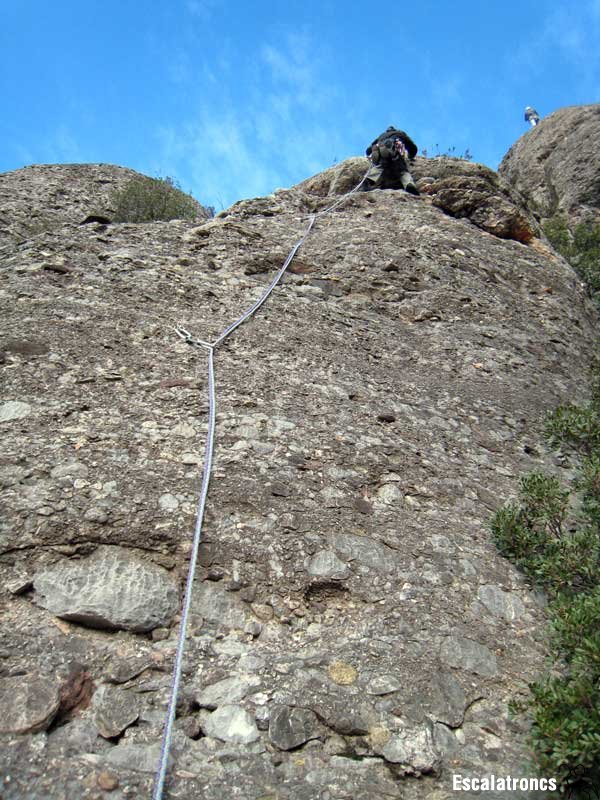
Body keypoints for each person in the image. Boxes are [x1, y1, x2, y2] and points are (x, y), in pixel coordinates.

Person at [363, 126, 419, 195]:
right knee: (402, 171)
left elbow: (368, 150)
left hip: (381, 153)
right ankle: (409, 185)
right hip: (394, 153)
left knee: (381, 166)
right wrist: (411, 156)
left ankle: (368, 180)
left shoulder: (381, 136)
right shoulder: (400, 134)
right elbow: (412, 147)